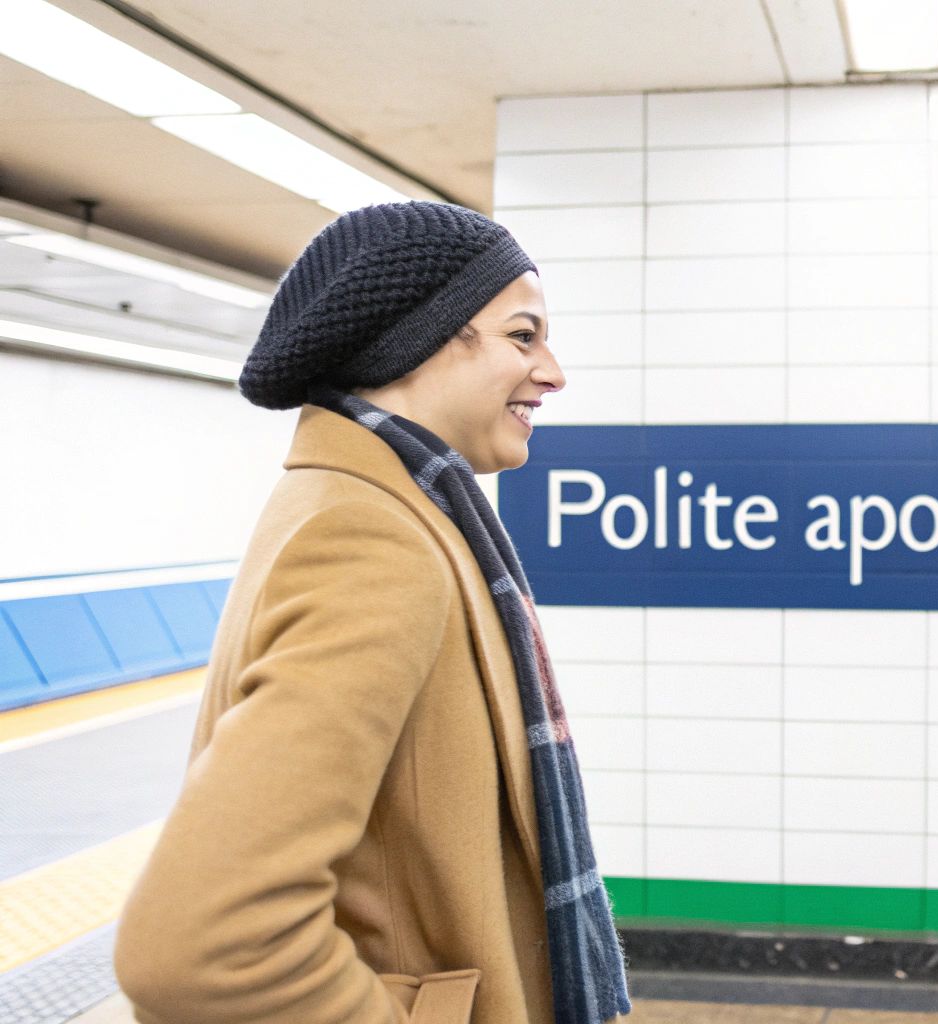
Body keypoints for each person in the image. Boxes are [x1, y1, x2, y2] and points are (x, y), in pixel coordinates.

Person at [114, 201, 630, 1024]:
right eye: (522, 337)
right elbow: (204, 945)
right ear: (418, 338)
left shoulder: (369, 505)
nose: (553, 373)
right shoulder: (372, 537)